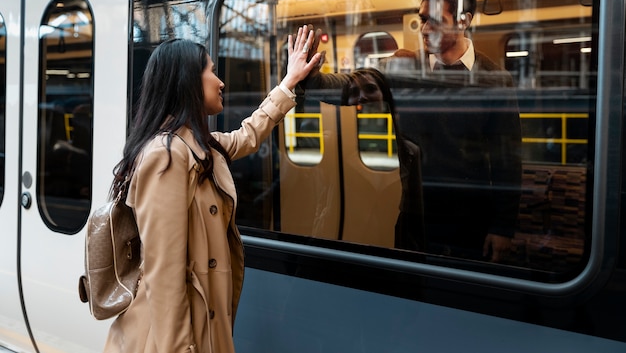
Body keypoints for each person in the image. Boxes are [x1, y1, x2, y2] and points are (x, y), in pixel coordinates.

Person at [103, 26, 321, 353]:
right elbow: (165, 274)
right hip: (169, 340)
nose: (220, 82)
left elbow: (248, 135)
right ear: (187, 82)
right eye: (211, 71)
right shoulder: (167, 156)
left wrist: (289, 82)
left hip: (202, 326)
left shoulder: (199, 147)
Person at [402, 0, 522, 261]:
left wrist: (503, 227)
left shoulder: (494, 81)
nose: (425, 29)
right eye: (422, 19)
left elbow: (507, 161)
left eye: (435, 20)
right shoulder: (407, 70)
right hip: (415, 216)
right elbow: (355, 85)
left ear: (463, 21)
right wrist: (304, 79)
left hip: (469, 222)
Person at [340, 67, 425, 251]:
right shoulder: (335, 147)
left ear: (385, 97)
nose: (362, 97)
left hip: (393, 250)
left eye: (370, 89)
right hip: (347, 248)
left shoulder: (409, 153)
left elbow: (414, 220)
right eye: (354, 93)